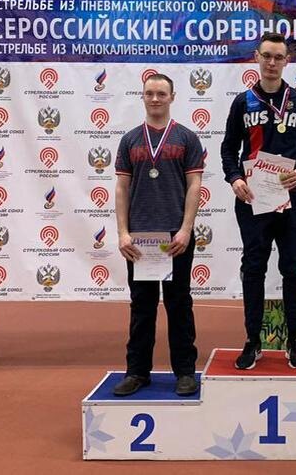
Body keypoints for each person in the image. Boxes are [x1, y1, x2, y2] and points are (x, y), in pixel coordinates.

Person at [221, 32, 296, 369]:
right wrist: (235, 178)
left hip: (292, 196)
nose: (271, 62)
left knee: (293, 267)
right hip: (253, 199)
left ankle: (295, 338)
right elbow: (228, 149)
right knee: (253, 268)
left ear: (287, 61)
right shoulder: (243, 102)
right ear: (256, 57)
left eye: (278, 57)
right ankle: (253, 340)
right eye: (266, 55)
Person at [113, 74, 204, 397]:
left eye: (161, 94)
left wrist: (186, 229)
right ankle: (137, 372)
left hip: (175, 237)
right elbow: (122, 189)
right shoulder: (130, 140)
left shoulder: (187, 138)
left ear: (172, 97)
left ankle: (185, 372)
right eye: (150, 93)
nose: (155, 99)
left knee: (179, 305)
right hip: (140, 239)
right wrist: (123, 233)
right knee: (142, 307)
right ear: (142, 96)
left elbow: (194, 185)